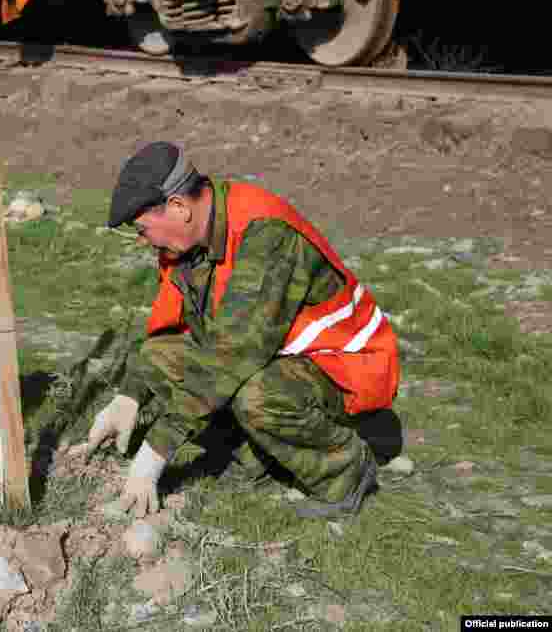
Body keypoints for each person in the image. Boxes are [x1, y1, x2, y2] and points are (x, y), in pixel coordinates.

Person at [72, 142, 399, 520]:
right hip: (278, 357)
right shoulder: (192, 238)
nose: (146, 241)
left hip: (342, 367)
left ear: (179, 207)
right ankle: (260, 458)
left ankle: (345, 472)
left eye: (144, 229)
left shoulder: (265, 237)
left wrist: (152, 457)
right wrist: (127, 399)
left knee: (257, 396)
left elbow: (229, 357)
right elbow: (171, 336)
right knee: (160, 359)